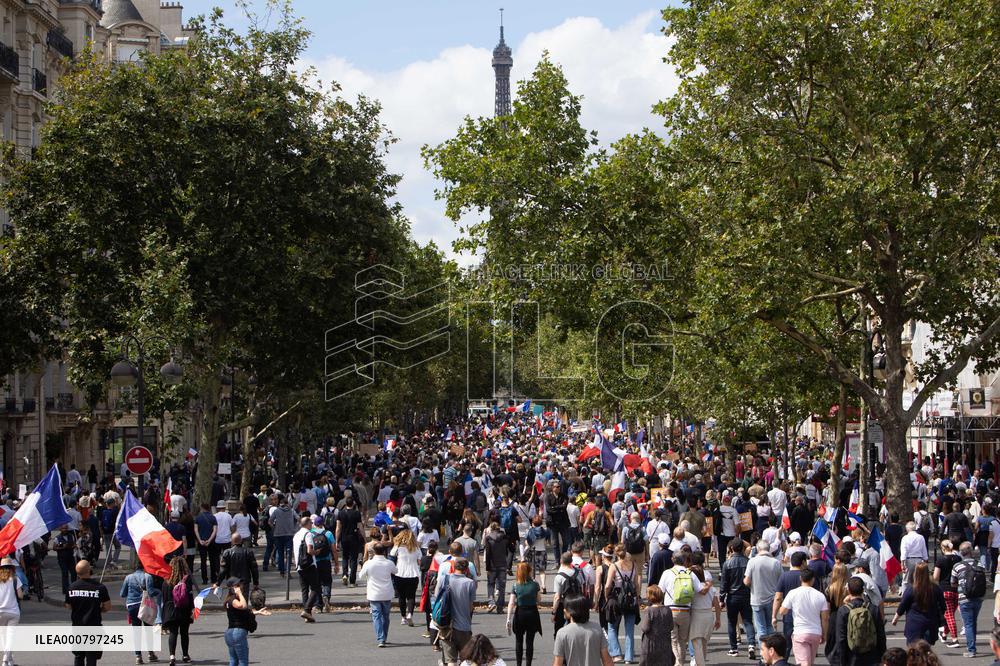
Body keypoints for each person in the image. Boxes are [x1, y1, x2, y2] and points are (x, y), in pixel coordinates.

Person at [778, 568, 829, 666]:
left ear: (800, 578)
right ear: (813, 579)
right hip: (815, 633)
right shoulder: (820, 595)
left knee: (803, 663)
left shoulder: (793, 593)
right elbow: (825, 618)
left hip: (800, 632)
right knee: (810, 662)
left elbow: (782, 611)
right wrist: (824, 634)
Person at [65, 560, 111, 666]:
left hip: (77, 626)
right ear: (89, 570)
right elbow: (107, 607)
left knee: (79, 655)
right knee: (92, 657)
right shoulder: (100, 588)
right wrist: (99, 609)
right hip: (93, 626)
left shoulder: (71, 587)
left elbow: (68, 606)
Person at [832, 576, 885, 666]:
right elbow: (881, 635)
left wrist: (842, 660)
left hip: (852, 656)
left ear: (848, 590)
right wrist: (882, 656)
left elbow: (841, 638)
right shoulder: (873, 609)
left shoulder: (843, 610)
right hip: (871, 655)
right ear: (863, 590)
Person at [891, 561, 945, 646]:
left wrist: (895, 619)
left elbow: (903, 605)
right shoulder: (935, 588)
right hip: (930, 624)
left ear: (915, 573)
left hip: (914, 624)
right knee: (926, 650)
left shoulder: (911, 589)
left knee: (913, 651)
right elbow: (943, 606)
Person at [552, 593, 614, 666]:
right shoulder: (597, 629)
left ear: (568, 612)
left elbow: (558, 663)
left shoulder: (562, 633)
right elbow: (607, 660)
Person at [604, 543, 641, 664]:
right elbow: (637, 584)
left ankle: (616, 653)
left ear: (616, 553)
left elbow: (608, 585)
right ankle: (629, 657)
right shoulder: (634, 565)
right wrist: (638, 597)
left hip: (617, 598)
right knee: (629, 629)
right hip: (630, 599)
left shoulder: (614, 566)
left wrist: (606, 596)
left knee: (612, 627)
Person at [950, 541, 987, 657]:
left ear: (961, 553)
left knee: (968, 624)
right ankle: (972, 646)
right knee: (973, 622)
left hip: (964, 598)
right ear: (971, 552)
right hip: (978, 598)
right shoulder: (980, 565)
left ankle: (971, 650)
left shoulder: (957, 566)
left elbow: (953, 583)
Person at [744, 537, 782, 647]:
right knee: (770, 626)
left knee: (760, 628)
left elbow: (746, 581)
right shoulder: (776, 562)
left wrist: (752, 584)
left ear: (758, 549)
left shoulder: (752, 561)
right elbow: (781, 581)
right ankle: (771, 650)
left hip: (757, 598)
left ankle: (763, 652)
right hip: (772, 599)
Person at [439, 557, 477, 666]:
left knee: (451, 660)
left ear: (454, 567)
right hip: (464, 626)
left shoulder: (444, 579)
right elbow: (471, 606)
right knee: (466, 659)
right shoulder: (470, 583)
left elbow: (438, 597)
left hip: (446, 625)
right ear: (466, 569)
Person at [721, 538, 756, 659]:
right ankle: (751, 644)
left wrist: (721, 598)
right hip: (746, 595)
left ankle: (734, 648)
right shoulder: (748, 561)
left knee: (731, 622)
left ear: (731, 549)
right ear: (742, 548)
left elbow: (724, 583)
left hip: (732, 596)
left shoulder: (727, 563)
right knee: (748, 621)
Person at [358, 540, 397, 647]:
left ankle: (381, 638)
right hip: (386, 592)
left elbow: (360, 576)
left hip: (374, 593)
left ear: (374, 552)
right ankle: (384, 636)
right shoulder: (389, 563)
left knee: (376, 616)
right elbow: (396, 571)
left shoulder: (369, 563)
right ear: (384, 552)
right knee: (386, 616)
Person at [119, 561, 157, 665]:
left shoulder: (128, 577)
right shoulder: (148, 577)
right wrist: (158, 592)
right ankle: (150, 653)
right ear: (143, 567)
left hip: (132, 606)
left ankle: (138, 656)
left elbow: (122, 594)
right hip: (145, 605)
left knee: (137, 631)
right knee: (148, 630)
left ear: (134, 568)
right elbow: (151, 592)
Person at [506, 561, 542, 666]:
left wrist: (508, 618)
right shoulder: (535, 584)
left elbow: (511, 603)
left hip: (520, 613)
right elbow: (539, 600)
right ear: (529, 571)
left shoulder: (515, 585)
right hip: (532, 613)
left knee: (518, 641)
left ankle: (518, 664)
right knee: (530, 642)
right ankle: (528, 664)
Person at [160, 556, 195, 666]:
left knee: (173, 633)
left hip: (171, 609)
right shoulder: (186, 579)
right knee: (184, 633)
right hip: (184, 609)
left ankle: (172, 657)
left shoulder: (167, 580)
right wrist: (192, 609)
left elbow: (164, 598)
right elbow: (190, 596)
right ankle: (185, 655)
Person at [688, 555, 721, 666]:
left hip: (696, 614)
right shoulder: (711, 588)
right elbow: (716, 605)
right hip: (709, 615)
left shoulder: (693, 588)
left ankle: (700, 664)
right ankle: (701, 663)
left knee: (696, 643)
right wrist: (718, 619)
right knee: (704, 643)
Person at [292, 515, 321, 622]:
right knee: (315, 588)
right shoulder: (308, 534)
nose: (312, 525)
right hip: (309, 564)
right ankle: (307, 610)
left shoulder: (296, 535)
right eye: (310, 523)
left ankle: (307, 614)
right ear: (308, 524)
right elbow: (309, 550)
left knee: (304, 590)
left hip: (299, 565)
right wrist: (316, 552)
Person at [932, 539, 961, 647]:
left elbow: (935, 577)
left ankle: (955, 639)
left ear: (943, 548)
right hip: (956, 589)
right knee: (951, 614)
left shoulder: (940, 560)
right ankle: (944, 634)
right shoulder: (958, 558)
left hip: (944, 589)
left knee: (949, 616)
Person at [390, 527, 420, 626]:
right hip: (413, 573)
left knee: (401, 597)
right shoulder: (416, 548)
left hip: (400, 573)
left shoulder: (398, 547)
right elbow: (419, 561)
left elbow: (391, 555)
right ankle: (410, 614)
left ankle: (403, 617)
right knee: (411, 596)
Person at [639, 584, 674, 666]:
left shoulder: (649, 611)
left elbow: (645, 628)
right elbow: (671, 626)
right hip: (665, 643)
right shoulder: (668, 610)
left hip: (651, 643)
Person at [223, 577, 254, 666]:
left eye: (240, 584)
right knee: (243, 661)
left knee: (234, 660)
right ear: (232, 588)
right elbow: (243, 606)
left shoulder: (230, 600)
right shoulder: (233, 599)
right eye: (237, 585)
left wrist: (257, 612)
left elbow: (242, 611)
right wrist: (240, 594)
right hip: (237, 632)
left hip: (230, 633)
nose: (241, 586)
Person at [336, 496, 364, 586]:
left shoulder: (340, 513)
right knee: (353, 559)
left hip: (344, 538)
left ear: (345, 504)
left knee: (345, 557)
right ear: (353, 504)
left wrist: (337, 540)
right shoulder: (357, 513)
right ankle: (352, 580)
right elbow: (360, 526)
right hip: (353, 537)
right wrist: (364, 538)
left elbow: (338, 528)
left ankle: (344, 574)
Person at [0, 556, 22, 666]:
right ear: (12, 568)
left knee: (3, 636)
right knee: (10, 636)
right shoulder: (15, 579)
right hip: (13, 611)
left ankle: (9, 661)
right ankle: (6, 659)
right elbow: (20, 595)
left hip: (0, 612)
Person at [484, 521, 510, 612]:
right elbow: (508, 550)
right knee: (502, 587)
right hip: (502, 563)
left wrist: (487, 567)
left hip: (492, 564)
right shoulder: (504, 537)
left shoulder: (488, 538)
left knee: (491, 584)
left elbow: (488, 554)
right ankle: (500, 607)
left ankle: (491, 602)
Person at [194, 503, 218, 584]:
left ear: (201, 508)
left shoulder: (198, 518)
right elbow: (215, 530)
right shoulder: (213, 517)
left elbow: (196, 530)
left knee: (203, 561)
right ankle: (213, 578)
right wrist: (210, 540)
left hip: (202, 542)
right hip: (211, 542)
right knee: (212, 560)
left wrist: (199, 540)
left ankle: (204, 579)